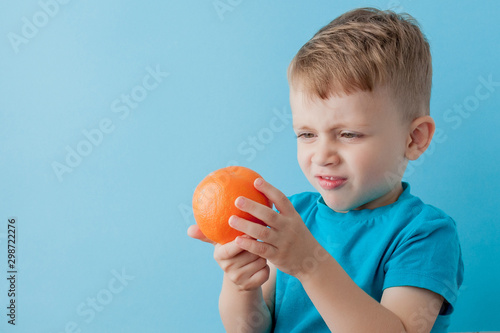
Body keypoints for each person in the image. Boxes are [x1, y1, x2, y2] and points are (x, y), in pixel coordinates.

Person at [188, 7, 463, 332]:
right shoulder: (294, 216)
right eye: (307, 134)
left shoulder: (425, 233)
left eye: (348, 134)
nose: (322, 156)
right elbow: (250, 329)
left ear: (413, 139)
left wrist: (308, 264)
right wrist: (241, 285)